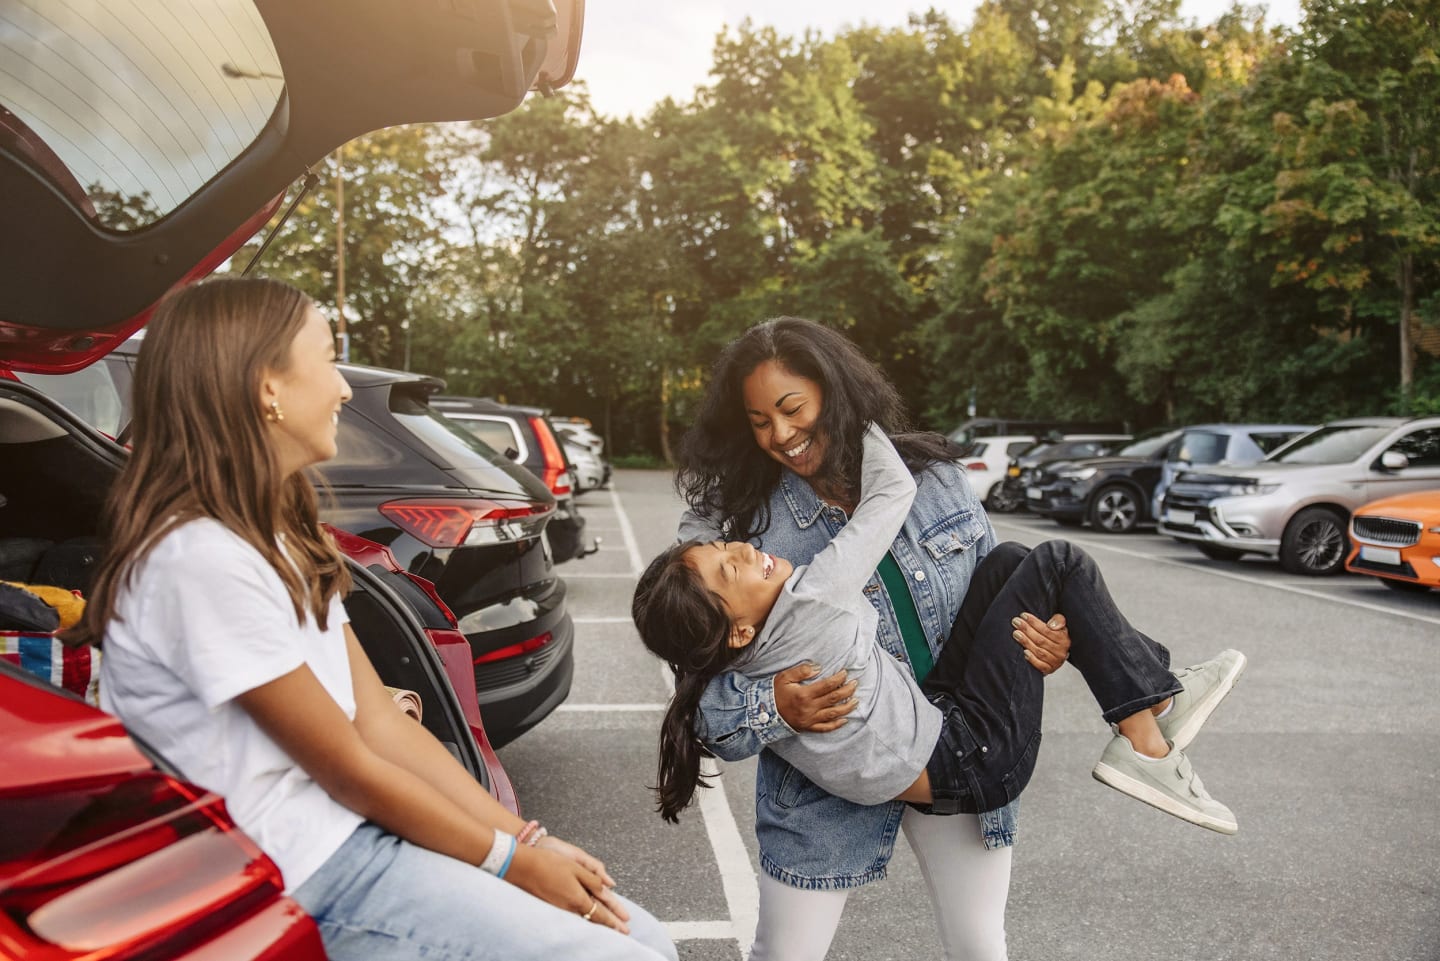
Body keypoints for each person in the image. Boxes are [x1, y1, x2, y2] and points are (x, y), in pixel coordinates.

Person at [70, 277, 677, 961]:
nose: (345, 387)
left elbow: (381, 724)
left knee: (640, 932)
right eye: (327, 360)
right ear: (267, 387)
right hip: (297, 876)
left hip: (350, 839)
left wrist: (529, 840)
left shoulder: (273, 535)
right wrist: (511, 864)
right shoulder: (200, 559)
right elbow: (351, 767)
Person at [635, 423, 1245, 835]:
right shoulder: (812, 602)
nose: (743, 548)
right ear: (735, 628)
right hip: (971, 759)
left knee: (1012, 563)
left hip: (941, 722)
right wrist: (851, 406)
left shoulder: (738, 647)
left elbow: (695, 563)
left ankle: (1154, 688)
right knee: (1060, 560)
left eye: (728, 547)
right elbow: (891, 490)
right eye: (730, 567)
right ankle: (1149, 734)